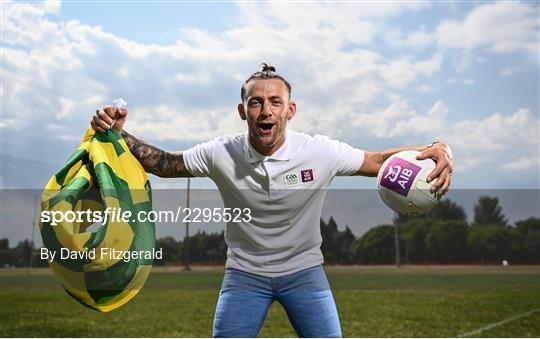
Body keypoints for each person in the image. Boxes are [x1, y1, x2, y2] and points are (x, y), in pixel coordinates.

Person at [91, 63, 453, 337]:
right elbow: (165, 165)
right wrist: (120, 134)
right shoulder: (221, 152)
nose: (266, 111)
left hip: (304, 271)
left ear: (289, 111)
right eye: (256, 103)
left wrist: (431, 149)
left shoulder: (319, 151)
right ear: (242, 110)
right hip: (244, 274)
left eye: (275, 102)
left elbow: (377, 161)